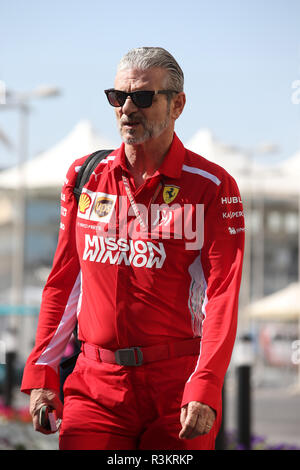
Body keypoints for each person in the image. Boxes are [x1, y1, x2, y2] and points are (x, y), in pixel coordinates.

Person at [21, 47, 245, 450]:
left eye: (142, 97)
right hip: (95, 386)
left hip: (176, 387)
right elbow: (63, 284)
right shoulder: (84, 176)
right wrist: (42, 372)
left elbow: (222, 297)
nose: (127, 108)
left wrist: (206, 385)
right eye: (116, 96)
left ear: (177, 105)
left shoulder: (212, 186)